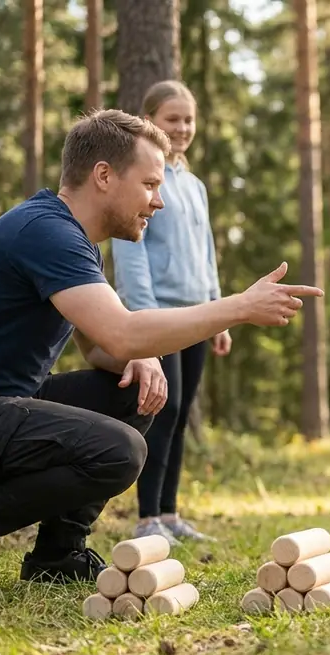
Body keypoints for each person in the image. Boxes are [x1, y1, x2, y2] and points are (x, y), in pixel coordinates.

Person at [0, 108, 322, 596]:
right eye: (149, 184)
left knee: (130, 392)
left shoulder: (72, 241)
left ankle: (57, 555)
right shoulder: (46, 233)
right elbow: (120, 333)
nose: (158, 202)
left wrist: (134, 358)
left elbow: (101, 346)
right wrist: (239, 306)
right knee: (119, 452)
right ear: (103, 175)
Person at [111, 80, 227, 546]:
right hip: (160, 314)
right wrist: (141, 314)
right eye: (172, 119)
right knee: (164, 407)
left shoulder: (194, 185)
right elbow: (132, 249)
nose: (181, 128)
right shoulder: (144, 181)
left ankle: (170, 512)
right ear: (150, 123)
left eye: (188, 120)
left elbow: (208, 252)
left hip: (199, 313)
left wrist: (218, 313)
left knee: (180, 415)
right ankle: (147, 518)